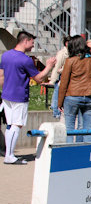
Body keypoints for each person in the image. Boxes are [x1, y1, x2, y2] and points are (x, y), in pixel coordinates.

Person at [0, 31, 55, 164]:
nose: (32, 45)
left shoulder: (5, 55)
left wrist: (4, 89)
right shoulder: (25, 60)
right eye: (32, 42)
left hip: (6, 94)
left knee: (10, 125)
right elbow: (39, 78)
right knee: (16, 125)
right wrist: (49, 66)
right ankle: (10, 156)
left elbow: (1, 75)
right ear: (25, 41)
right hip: (19, 96)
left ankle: (9, 153)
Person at [58, 35, 91, 143]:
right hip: (90, 97)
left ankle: (70, 151)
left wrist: (60, 102)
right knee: (87, 129)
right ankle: (86, 152)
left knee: (70, 128)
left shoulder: (70, 60)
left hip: (72, 96)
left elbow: (64, 83)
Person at [46, 36, 70, 119]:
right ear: (66, 43)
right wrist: (52, 81)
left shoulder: (70, 53)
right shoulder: (62, 53)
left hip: (65, 77)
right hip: (60, 78)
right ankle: (56, 112)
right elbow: (57, 67)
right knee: (57, 94)